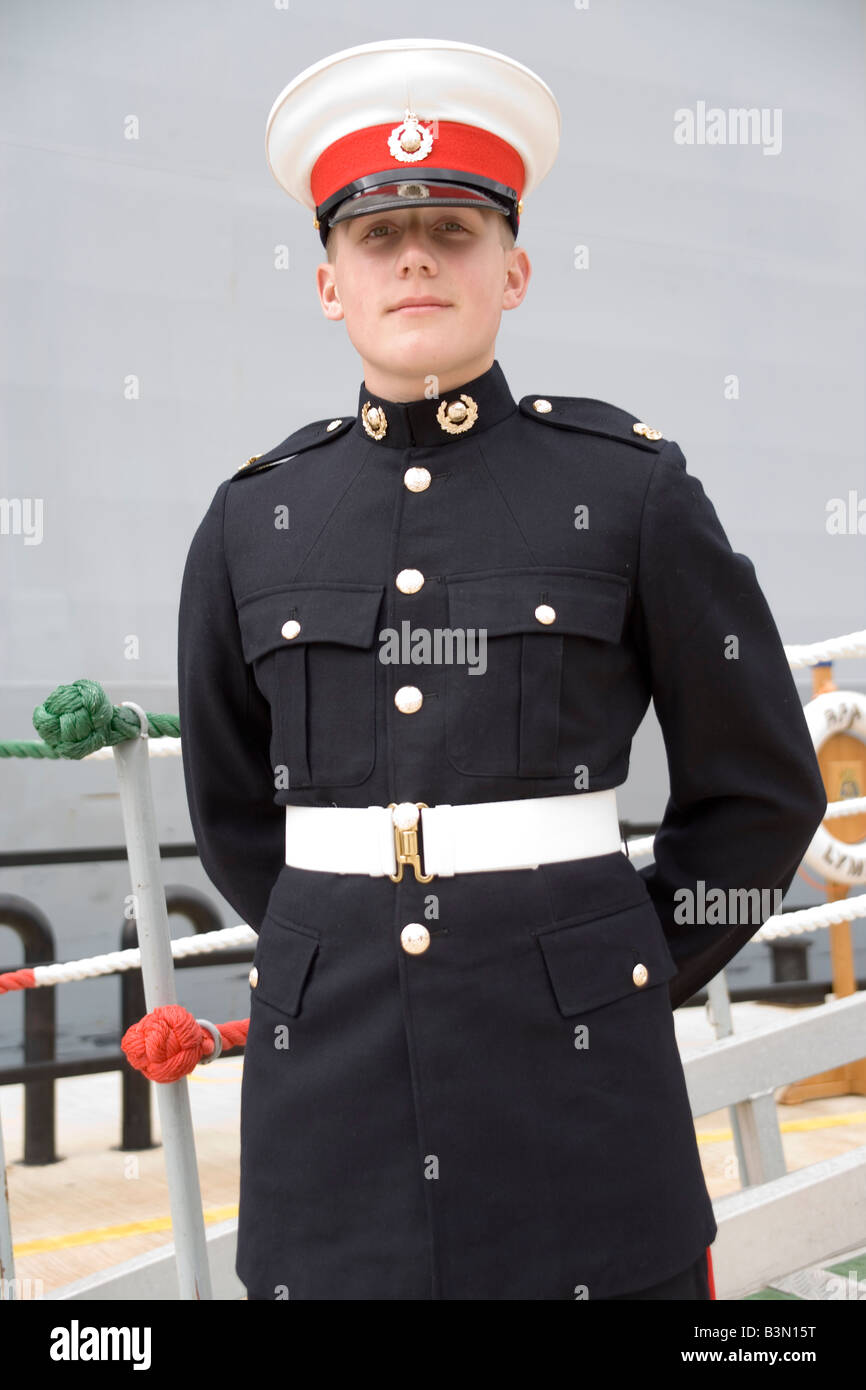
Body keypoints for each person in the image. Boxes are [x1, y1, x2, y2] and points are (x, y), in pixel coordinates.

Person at [176, 38, 827, 1301]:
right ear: (329, 283)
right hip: (335, 1075)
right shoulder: (254, 519)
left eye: (452, 229)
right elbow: (231, 806)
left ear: (512, 269)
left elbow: (758, 790)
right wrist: (326, 942)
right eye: (378, 237)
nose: (414, 255)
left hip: (574, 1070)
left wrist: (618, 961)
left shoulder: (627, 490)